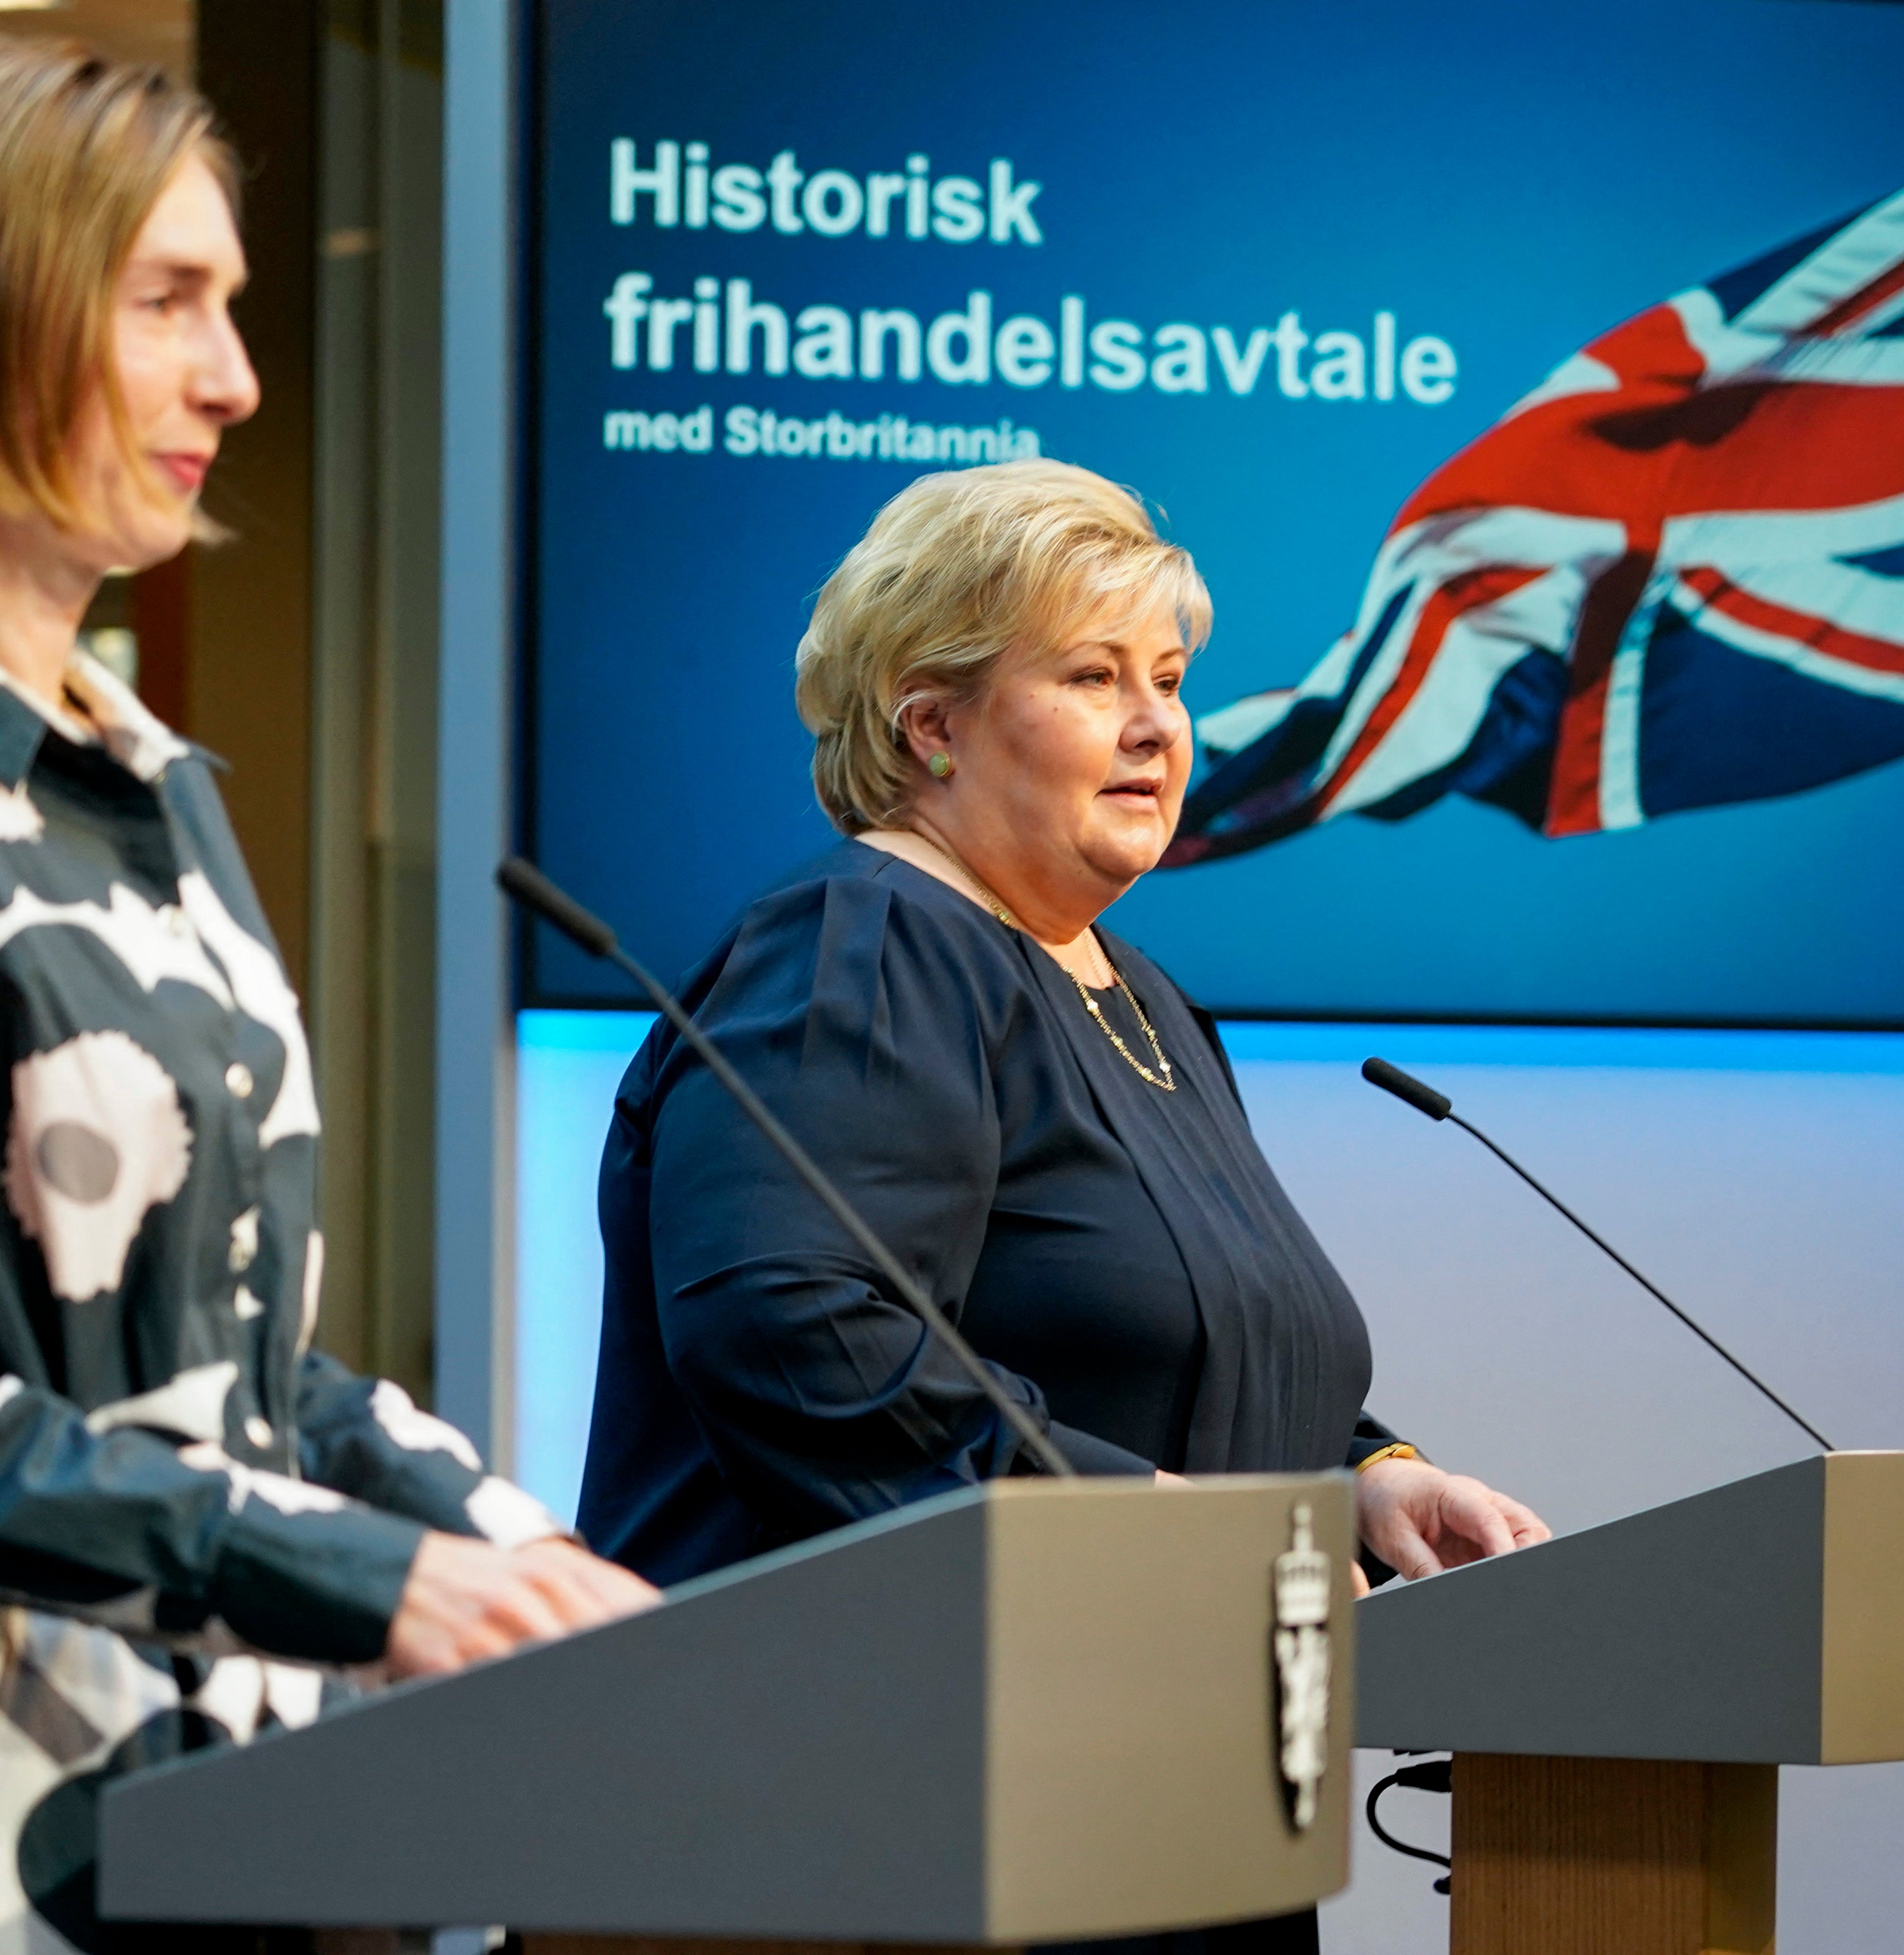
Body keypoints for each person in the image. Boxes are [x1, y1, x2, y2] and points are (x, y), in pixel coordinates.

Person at [0, 40, 652, 1955]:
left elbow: (238, 1376)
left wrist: (505, 1547)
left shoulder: (160, 792)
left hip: (250, 1819)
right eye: (169, 303)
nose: (237, 379)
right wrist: (362, 1577)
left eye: (236, 309)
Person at [577, 460, 1548, 1628]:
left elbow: (1174, 1359)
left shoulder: (1142, 997)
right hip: (860, 1736)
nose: (1157, 726)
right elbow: (797, 1334)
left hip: (1157, 1734)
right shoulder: (867, 946)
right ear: (933, 724)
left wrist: (1365, 1481)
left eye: (1172, 680)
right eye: (1093, 676)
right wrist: (1134, 1523)